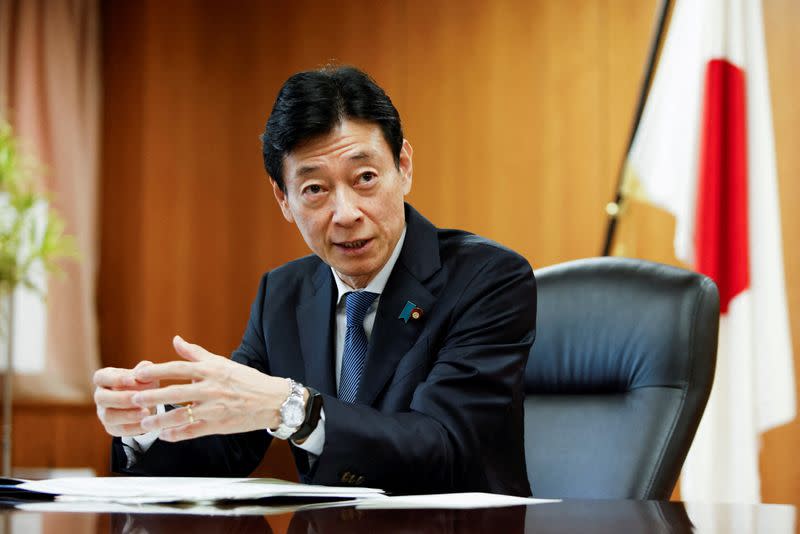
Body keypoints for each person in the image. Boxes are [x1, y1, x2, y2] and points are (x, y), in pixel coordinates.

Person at [93, 66, 536, 496]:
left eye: (365, 178)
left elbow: (445, 446)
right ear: (283, 199)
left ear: (403, 167)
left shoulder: (488, 279)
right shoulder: (283, 295)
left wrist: (295, 409)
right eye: (315, 190)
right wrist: (148, 424)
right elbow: (228, 445)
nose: (345, 213)